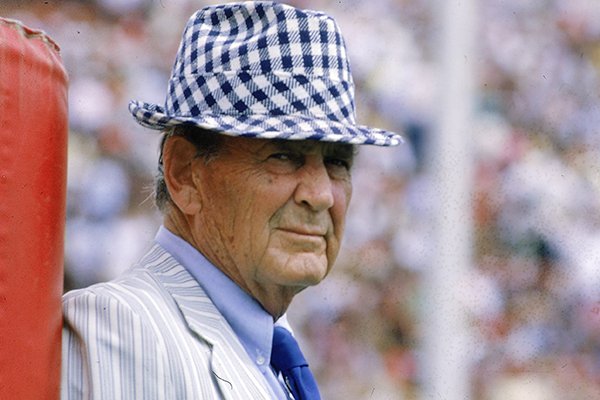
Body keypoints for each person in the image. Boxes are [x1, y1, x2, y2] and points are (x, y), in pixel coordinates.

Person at [61, 1, 402, 399]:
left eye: (338, 162)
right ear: (185, 173)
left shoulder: (267, 352)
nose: (321, 194)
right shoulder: (123, 328)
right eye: (284, 155)